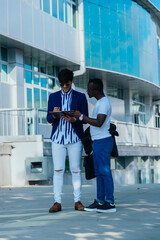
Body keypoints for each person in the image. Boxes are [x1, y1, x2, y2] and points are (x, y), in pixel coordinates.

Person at [47, 68, 88, 213]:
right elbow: (48, 118)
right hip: (58, 138)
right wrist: (55, 115)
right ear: (59, 82)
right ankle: (57, 202)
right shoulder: (53, 97)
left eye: (67, 84)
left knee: (76, 170)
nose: (65, 87)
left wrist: (74, 119)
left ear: (72, 81)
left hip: (74, 138)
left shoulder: (80, 97)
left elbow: (84, 118)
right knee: (58, 170)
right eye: (62, 84)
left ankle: (77, 201)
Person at [74, 78, 116, 213]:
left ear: (96, 90)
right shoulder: (100, 103)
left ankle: (110, 203)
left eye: (89, 89)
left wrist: (81, 117)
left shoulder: (104, 103)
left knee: (105, 172)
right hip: (98, 141)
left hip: (103, 141)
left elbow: (99, 122)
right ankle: (100, 201)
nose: (87, 91)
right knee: (99, 173)